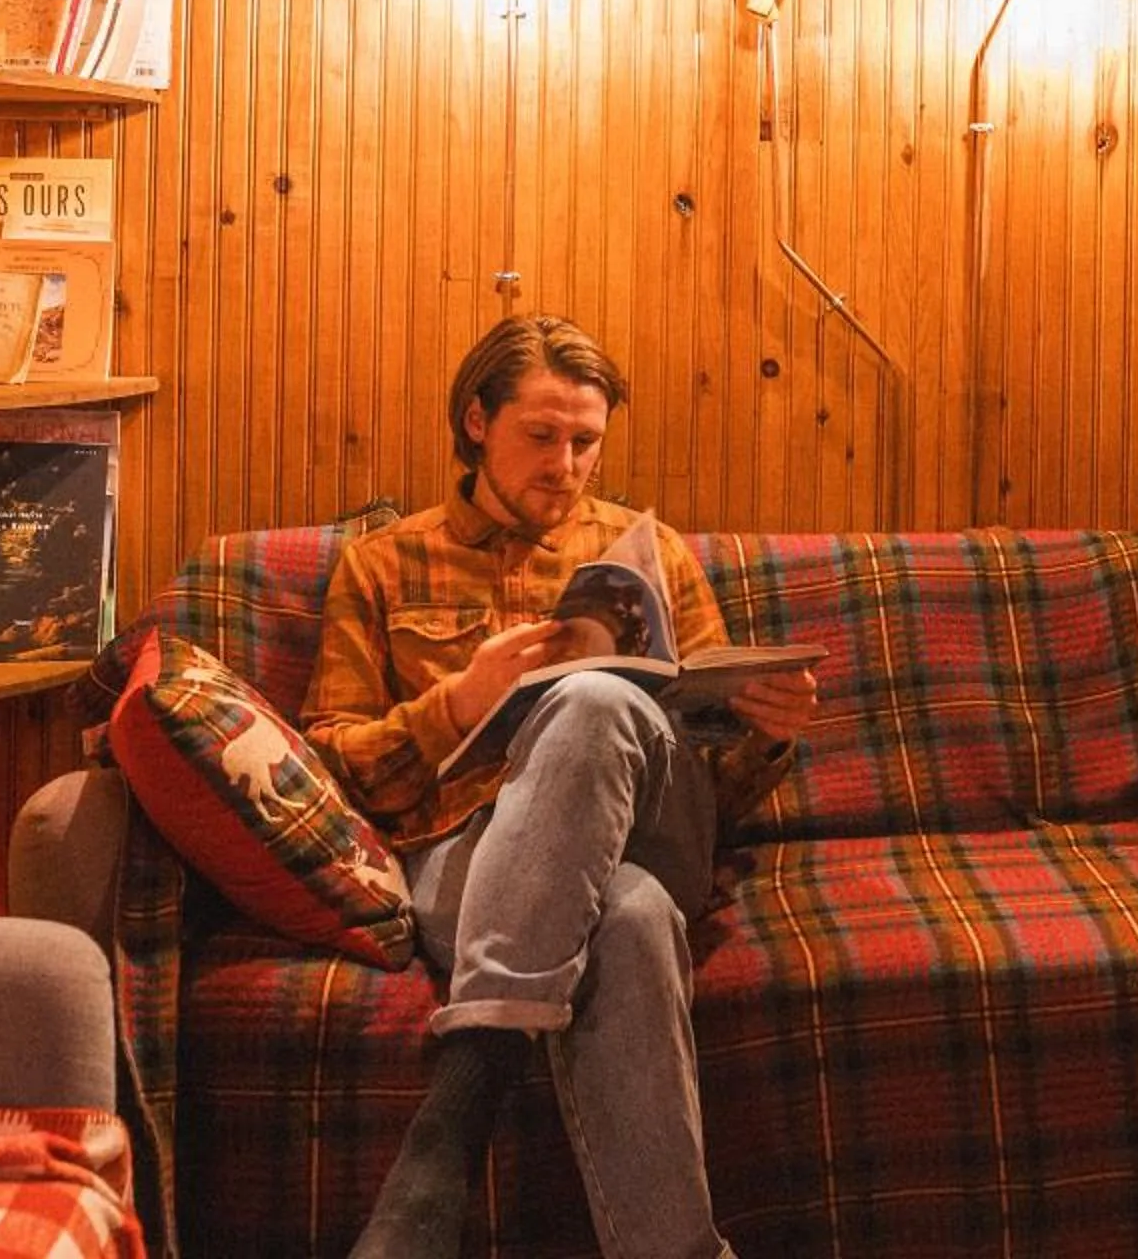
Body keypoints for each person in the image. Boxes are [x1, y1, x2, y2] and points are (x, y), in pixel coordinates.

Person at [303, 314, 818, 1259]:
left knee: (595, 700)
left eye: (586, 441)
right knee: (628, 918)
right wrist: (458, 703)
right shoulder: (381, 566)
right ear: (476, 421)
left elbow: (712, 778)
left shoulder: (646, 552)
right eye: (541, 436)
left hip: (650, 824)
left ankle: (455, 1118)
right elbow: (332, 765)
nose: (567, 465)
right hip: (466, 852)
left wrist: (766, 734)